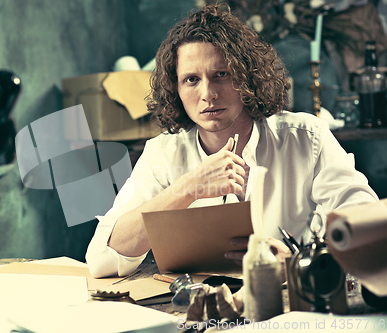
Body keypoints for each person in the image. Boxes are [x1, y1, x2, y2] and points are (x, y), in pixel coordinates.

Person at [85, 3, 378, 278]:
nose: (207, 94)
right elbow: (101, 259)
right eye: (191, 79)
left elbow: (370, 228)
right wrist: (189, 188)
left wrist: (297, 259)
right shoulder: (163, 152)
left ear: (247, 77)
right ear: (175, 87)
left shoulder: (306, 137)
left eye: (221, 74)